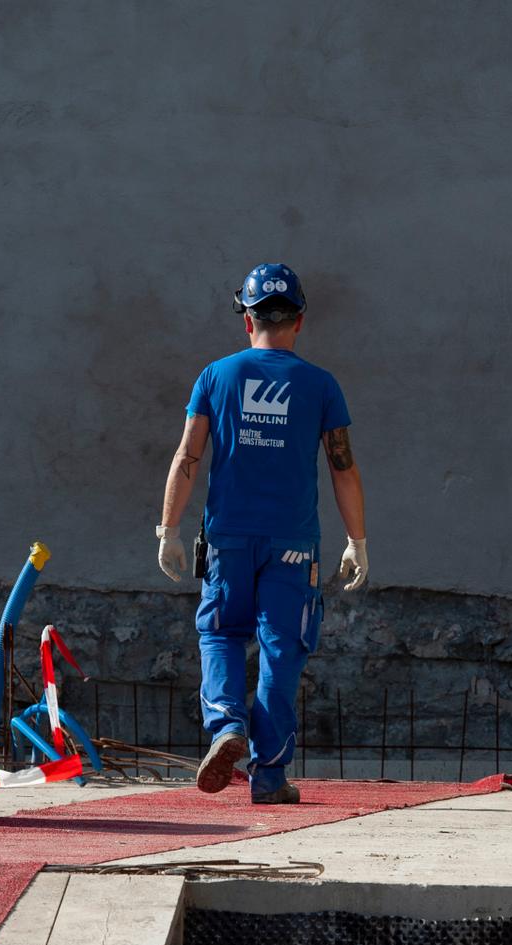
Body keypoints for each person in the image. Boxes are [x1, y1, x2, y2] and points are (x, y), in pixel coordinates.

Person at [156, 263, 368, 803]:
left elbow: (188, 456)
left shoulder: (216, 376)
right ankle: (270, 776)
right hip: (293, 546)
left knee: (221, 634)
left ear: (247, 320)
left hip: (227, 539)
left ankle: (226, 725)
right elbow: (343, 467)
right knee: (281, 650)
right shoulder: (321, 385)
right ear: (299, 320)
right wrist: (357, 541)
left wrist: (169, 530)